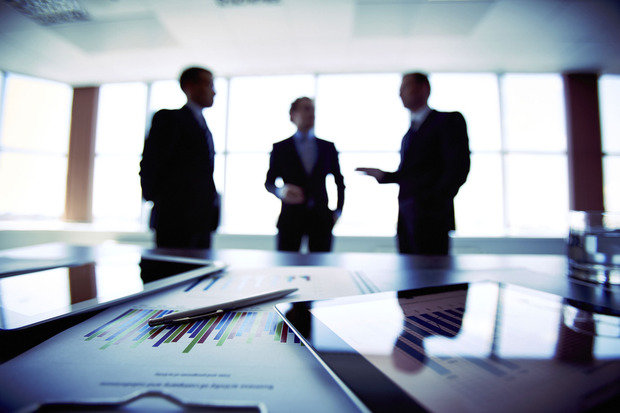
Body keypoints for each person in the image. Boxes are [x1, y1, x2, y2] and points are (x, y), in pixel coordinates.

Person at [357, 72, 470, 255]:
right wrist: (384, 175)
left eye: (405, 87)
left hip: (433, 218)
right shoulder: (408, 135)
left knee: (434, 278)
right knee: (408, 275)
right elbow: (411, 173)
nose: (400, 93)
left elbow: (458, 168)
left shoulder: (449, 121)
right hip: (406, 218)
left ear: (424, 88)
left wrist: (434, 203)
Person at [140, 66, 219, 249]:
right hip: (174, 219)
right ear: (189, 86)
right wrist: (157, 199)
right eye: (209, 84)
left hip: (203, 220)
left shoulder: (204, 126)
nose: (214, 92)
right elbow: (152, 162)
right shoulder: (169, 119)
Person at [265, 97, 345, 252]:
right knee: (286, 267)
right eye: (306, 109)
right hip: (290, 219)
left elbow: (339, 182)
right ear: (292, 115)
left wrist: (338, 211)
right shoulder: (280, 148)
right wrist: (281, 191)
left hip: (321, 219)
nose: (312, 114)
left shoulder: (327, 147)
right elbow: (269, 183)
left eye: (313, 109)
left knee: (322, 269)